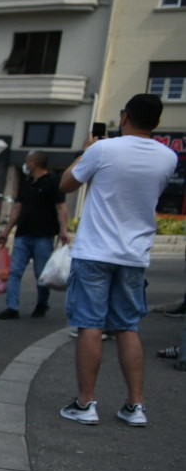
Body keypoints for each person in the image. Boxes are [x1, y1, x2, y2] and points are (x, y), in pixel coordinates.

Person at [57, 94, 178, 427]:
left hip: (95, 251)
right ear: (157, 122)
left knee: (90, 325)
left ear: (125, 117)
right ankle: (135, 406)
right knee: (128, 328)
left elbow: (66, 183)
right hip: (134, 255)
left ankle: (86, 404)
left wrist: (86, 149)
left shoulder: (102, 150)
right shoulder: (168, 158)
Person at [0, 151, 71, 320]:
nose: (26, 164)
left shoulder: (53, 182)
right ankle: (12, 307)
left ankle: (42, 303)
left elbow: (61, 208)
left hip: (43, 235)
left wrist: (63, 230)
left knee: (41, 274)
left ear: (35, 162)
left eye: (28, 161)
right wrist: (6, 231)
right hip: (22, 234)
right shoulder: (27, 183)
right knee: (14, 271)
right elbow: (18, 208)